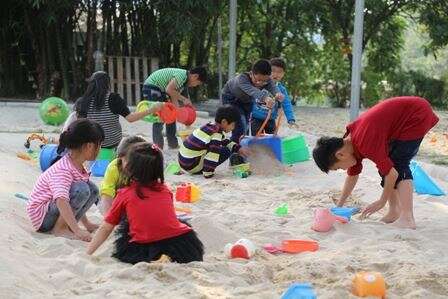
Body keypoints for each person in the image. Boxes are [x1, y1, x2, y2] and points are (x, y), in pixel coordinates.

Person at [312, 96, 439, 229]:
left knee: (399, 164)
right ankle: (394, 211)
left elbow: (392, 174)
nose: (343, 170)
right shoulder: (349, 145)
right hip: (404, 118)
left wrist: (381, 201)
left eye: (338, 168)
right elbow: (352, 176)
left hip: (415, 114)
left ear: (340, 155)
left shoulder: (365, 141)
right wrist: (339, 205)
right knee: (386, 165)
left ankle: (407, 218)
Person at [87, 142, 204, 264]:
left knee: (126, 229)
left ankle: (158, 257)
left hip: (143, 247)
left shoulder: (125, 193)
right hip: (182, 243)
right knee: (180, 223)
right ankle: (166, 256)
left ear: (131, 168)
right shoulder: (165, 190)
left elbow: (106, 227)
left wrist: (88, 253)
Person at [26, 119, 104, 241]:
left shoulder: (77, 165)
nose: (100, 149)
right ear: (89, 146)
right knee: (82, 189)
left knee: (92, 189)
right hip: (43, 217)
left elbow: (76, 200)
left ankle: (66, 226)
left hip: (54, 211)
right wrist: (78, 230)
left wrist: (86, 223)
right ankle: (60, 228)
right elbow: (61, 200)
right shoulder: (63, 169)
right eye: (99, 145)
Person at [75, 71, 163, 150]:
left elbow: (80, 125)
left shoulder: (83, 101)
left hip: (93, 145)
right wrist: (152, 109)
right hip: (112, 143)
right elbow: (130, 118)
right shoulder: (113, 99)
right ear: (107, 84)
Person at [142, 67, 207, 149]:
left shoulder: (183, 83)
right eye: (197, 83)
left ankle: (172, 143)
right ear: (195, 76)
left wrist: (177, 112)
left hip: (161, 90)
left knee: (171, 115)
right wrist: (184, 99)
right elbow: (169, 89)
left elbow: (173, 96)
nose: (195, 86)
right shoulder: (181, 76)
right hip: (152, 87)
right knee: (160, 117)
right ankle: (158, 146)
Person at [178, 105, 250, 178]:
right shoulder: (216, 134)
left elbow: (225, 141)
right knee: (226, 151)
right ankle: (206, 170)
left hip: (184, 163)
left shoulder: (210, 126)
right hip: (192, 166)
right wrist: (208, 173)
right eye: (233, 125)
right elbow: (212, 153)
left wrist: (238, 148)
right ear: (224, 122)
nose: (233, 128)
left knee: (224, 146)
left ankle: (204, 168)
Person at [222, 59, 283, 142]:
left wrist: (278, 94)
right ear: (251, 74)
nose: (260, 83)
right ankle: (235, 147)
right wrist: (265, 98)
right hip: (231, 99)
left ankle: (241, 144)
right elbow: (253, 91)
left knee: (246, 125)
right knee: (240, 123)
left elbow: (273, 87)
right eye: (258, 80)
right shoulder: (242, 79)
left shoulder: (267, 80)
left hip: (247, 101)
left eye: (264, 81)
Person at [99, 135, 146, 214]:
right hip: (116, 203)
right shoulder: (114, 168)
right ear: (120, 157)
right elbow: (107, 196)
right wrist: (109, 221)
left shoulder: (146, 167)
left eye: (137, 162)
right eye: (129, 161)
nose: (133, 166)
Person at [251, 58, 297, 135]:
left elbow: (286, 104)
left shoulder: (281, 89)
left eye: (279, 72)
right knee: (255, 139)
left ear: (283, 74)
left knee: (272, 138)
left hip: (271, 119)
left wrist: (291, 119)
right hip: (255, 118)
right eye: (273, 71)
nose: (276, 74)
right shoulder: (258, 84)